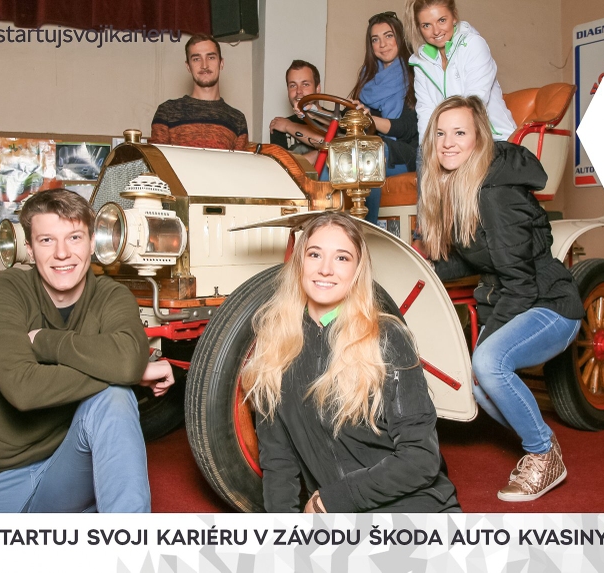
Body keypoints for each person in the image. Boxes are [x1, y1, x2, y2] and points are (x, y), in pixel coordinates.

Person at [0, 189, 175, 513]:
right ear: (29, 248)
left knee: (115, 398)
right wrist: (130, 373)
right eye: (47, 240)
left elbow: (125, 361)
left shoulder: (113, 296)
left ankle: (129, 541)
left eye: (74, 237)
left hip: (68, 470)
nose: (62, 253)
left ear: (92, 243)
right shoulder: (4, 291)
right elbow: (23, 389)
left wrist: (44, 341)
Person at [418, 96, 584, 502]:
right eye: (440, 134)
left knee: (487, 364)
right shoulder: (459, 186)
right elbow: (475, 257)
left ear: (479, 138)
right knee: (478, 386)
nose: (448, 143)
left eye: (460, 133)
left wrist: (486, 344)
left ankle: (542, 454)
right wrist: (421, 270)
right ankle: (542, 441)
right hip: (515, 299)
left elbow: (522, 284)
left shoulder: (495, 193)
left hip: (550, 305)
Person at [242, 211, 460, 513]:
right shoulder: (274, 345)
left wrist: (330, 500)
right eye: (315, 254)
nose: (325, 269)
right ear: (299, 263)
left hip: (414, 507)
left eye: (342, 258)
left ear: (358, 270)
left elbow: (421, 458)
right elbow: (278, 461)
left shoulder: (387, 337)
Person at [403, 0, 516, 141]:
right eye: (426, 25)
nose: (436, 31)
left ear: (454, 16)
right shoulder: (421, 62)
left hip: (495, 140)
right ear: (419, 28)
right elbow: (426, 112)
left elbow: (473, 105)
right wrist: (426, 150)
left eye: (442, 20)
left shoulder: (474, 45)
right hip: (452, 144)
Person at [349, 11, 418, 225]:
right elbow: (352, 119)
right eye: (375, 39)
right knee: (335, 158)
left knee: (369, 153)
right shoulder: (367, 78)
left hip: (406, 151)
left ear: (400, 38)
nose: (382, 44)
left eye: (389, 36)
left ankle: (365, 232)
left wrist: (368, 119)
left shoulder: (416, 74)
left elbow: (407, 128)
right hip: (374, 146)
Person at [150, 33, 249, 150]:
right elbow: (156, 159)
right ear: (188, 66)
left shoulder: (237, 119)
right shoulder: (167, 111)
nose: (204, 65)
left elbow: (240, 162)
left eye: (211, 57)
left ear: (221, 63)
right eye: (196, 59)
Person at [269, 60, 327, 162]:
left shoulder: (341, 119)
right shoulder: (278, 126)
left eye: (305, 84)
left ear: (318, 88)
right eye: (293, 85)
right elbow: (283, 167)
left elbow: (335, 146)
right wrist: (324, 154)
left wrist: (288, 126)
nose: (298, 91)